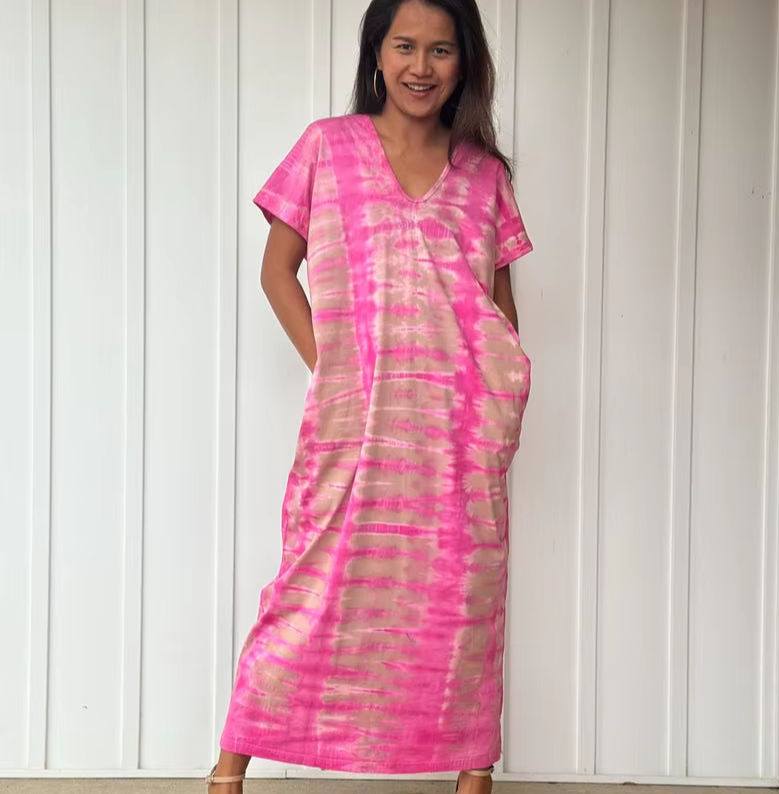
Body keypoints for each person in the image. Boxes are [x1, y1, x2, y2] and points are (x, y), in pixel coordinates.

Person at [204, 0, 534, 791]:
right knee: (311, 587)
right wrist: (334, 368)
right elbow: (276, 272)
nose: (421, 67)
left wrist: (499, 397)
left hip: (458, 429)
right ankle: (227, 770)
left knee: (461, 598)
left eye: (441, 50)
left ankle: (473, 775)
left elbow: (500, 305)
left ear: (465, 61)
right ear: (377, 55)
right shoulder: (327, 147)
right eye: (405, 46)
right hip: (353, 423)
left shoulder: (484, 174)